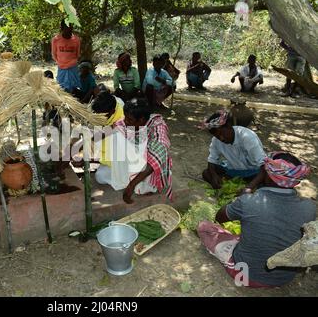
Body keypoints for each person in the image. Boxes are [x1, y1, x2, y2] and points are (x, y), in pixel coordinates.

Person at [197, 152, 315, 287]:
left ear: (266, 173)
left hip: (246, 275)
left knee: (204, 226)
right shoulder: (309, 207)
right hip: (284, 277)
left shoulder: (248, 202)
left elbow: (219, 218)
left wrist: (242, 195)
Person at [94, 98, 173, 204]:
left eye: (129, 120)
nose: (125, 122)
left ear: (141, 120)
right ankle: (131, 179)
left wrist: (131, 186)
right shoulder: (129, 121)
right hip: (133, 163)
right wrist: (82, 144)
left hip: (148, 169)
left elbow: (154, 162)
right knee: (100, 176)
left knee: (139, 189)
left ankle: (144, 184)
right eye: (125, 118)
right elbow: (107, 130)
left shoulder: (158, 130)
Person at [200, 110, 267, 190]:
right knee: (206, 173)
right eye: (218, 136)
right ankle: (243, 184)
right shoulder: (216, 141)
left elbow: (264, 166)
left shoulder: (247, 137)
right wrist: (214, 177)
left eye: (222, 133)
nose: (221, 138)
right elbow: (211, 161)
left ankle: (249, 185)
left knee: (268, 179)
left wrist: (249, 188)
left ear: (229, 126)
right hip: (234, 170)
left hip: (253, 171)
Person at [51, 19, 81, 93]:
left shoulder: (76, 40)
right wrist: (61, 63)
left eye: (71, 27)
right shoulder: (56, 39)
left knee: (74, 89)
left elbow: (78, 54)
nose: (69, 29)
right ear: (62, 28)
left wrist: (71, 63)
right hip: (61, 68)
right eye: (67, 27)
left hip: (73, 68)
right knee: (61, 88)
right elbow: (54, 54)